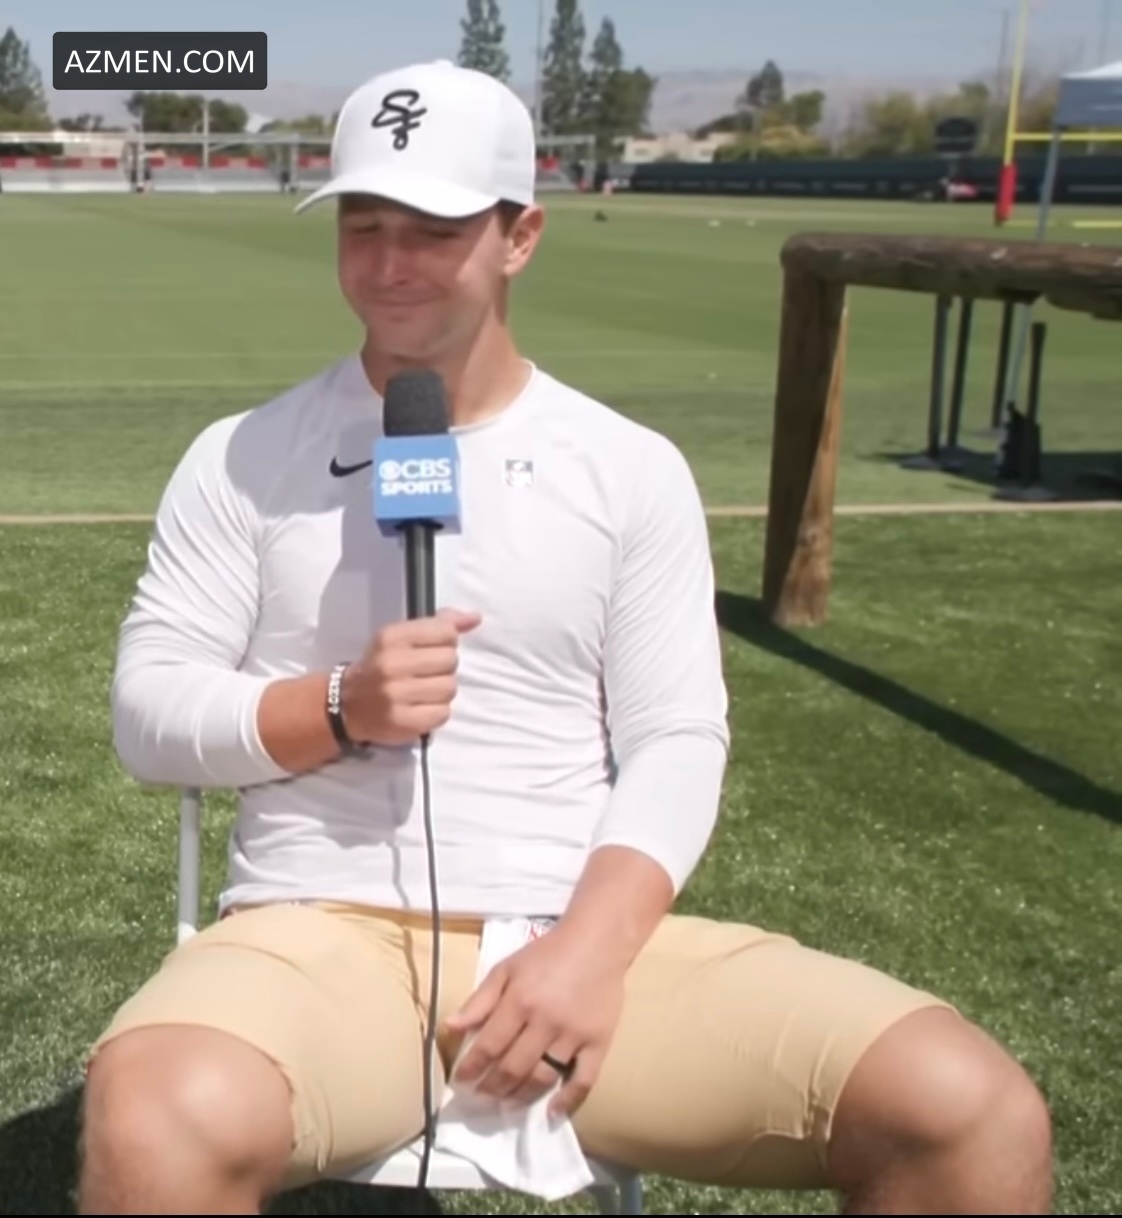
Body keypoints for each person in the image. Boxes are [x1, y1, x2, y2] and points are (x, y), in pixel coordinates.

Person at [79, 60, 1052, 1215]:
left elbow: (677, 738)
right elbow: (147, 715)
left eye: (434, 230)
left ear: (520, 236)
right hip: (315, 934)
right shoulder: (242, 454)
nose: (389, 265)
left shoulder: (627, 468)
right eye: (362, 225)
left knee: (968, 1109)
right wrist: (340, 705)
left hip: (577, 937)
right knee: (156, 1109)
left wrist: (588, 953)